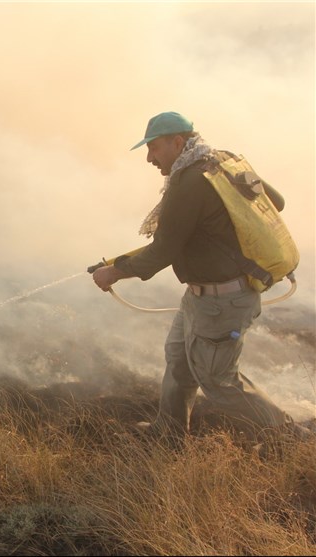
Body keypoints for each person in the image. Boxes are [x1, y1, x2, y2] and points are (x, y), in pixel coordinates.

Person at [92, 111, 312, 443]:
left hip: (223, 301)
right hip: (202, 296)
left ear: (177, 142)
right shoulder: (222, 161)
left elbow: (163, 251)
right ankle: (170, 433)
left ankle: (294, 438)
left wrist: (114, 273)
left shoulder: (189, 182)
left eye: (153, 148)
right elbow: (275, 202)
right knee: (179, 362)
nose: (150, 158)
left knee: (218, 381)